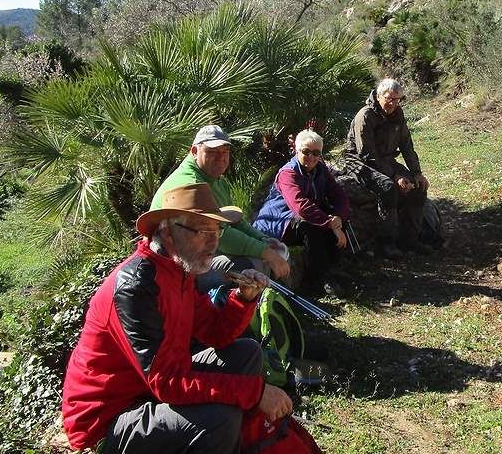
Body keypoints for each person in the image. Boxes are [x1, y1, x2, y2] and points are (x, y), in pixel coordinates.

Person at [61, 183, 294, 453]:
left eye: (216, 230)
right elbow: (166, 383)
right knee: (219, 419)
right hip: (108, 419)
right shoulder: (136, 287)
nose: (213, 242)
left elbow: (215, 334)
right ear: (168, 232)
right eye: (202, 231)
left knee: (247, 353)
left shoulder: (179, 270)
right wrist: (255, 394)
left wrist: (243, 299)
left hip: (149, 390)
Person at [152, 125, 291, 291]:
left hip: (198, 255)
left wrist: (263, 240)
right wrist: (266, 253)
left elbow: (234, 221)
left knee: (272, 252)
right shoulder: (192, 185)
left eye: (225, 152)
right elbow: (220, 237)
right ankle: (233, 304)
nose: (221, 157)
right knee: (253, 264)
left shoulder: (216, 180)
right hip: (178, 266)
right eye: (212, 152)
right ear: (194, 151)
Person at [253, 129, 351, 296]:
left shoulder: (320, 169)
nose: (311, 157)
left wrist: (338, 218)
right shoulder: (288, 173)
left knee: (339, 218)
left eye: (316, 153)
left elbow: (339, 194)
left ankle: (332, 269)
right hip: (277, 224)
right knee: (311, 226)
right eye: (306, 152)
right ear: (296, 151)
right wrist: (330, 223)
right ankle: (317, 282)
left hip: (296, 219)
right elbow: (300, 206)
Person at [344, 78, 430, 257]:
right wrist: (394, 176)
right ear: (378, 96)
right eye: (389, 98)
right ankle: (387, 243)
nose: (392, 103)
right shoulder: (365, 115)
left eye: (397, 99)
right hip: (359, 162)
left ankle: (410, 240)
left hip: (387, 160)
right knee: (388, 187)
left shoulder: (398, 114)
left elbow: (407, 145)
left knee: (418, 187)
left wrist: (417, 173)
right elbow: (367, 154)